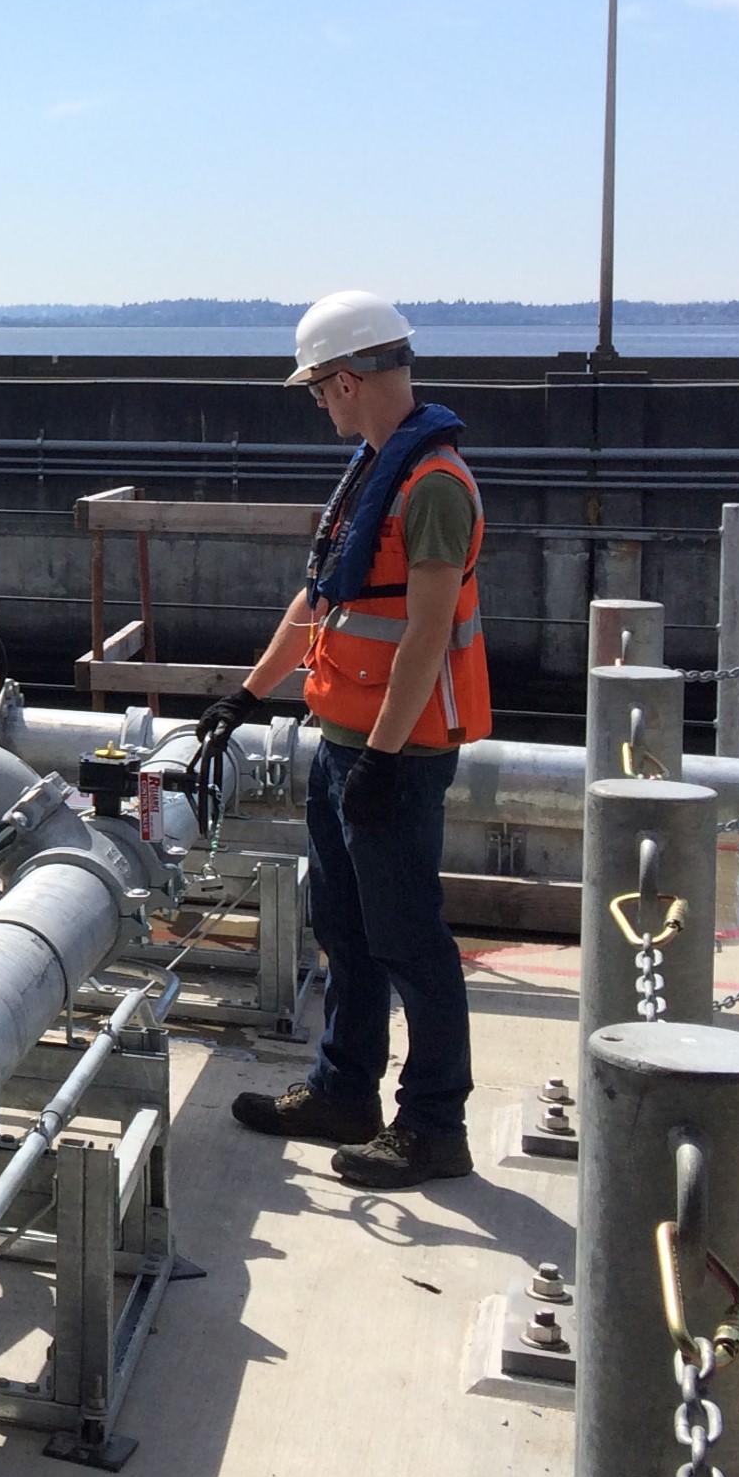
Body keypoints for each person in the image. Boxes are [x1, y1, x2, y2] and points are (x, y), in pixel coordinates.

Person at [199, 291, 490, 1189]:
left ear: (348, 379)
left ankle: (434, 1126)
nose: (320, 404)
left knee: (408, 939)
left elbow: (426, 636)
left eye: (320, 389)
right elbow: (321, 600)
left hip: (395, 752)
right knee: (347, 931)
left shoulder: (432, 485)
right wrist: (246, 695)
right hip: (346, 741)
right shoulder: (375, 472)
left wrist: (385, 758)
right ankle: (343, 1091)